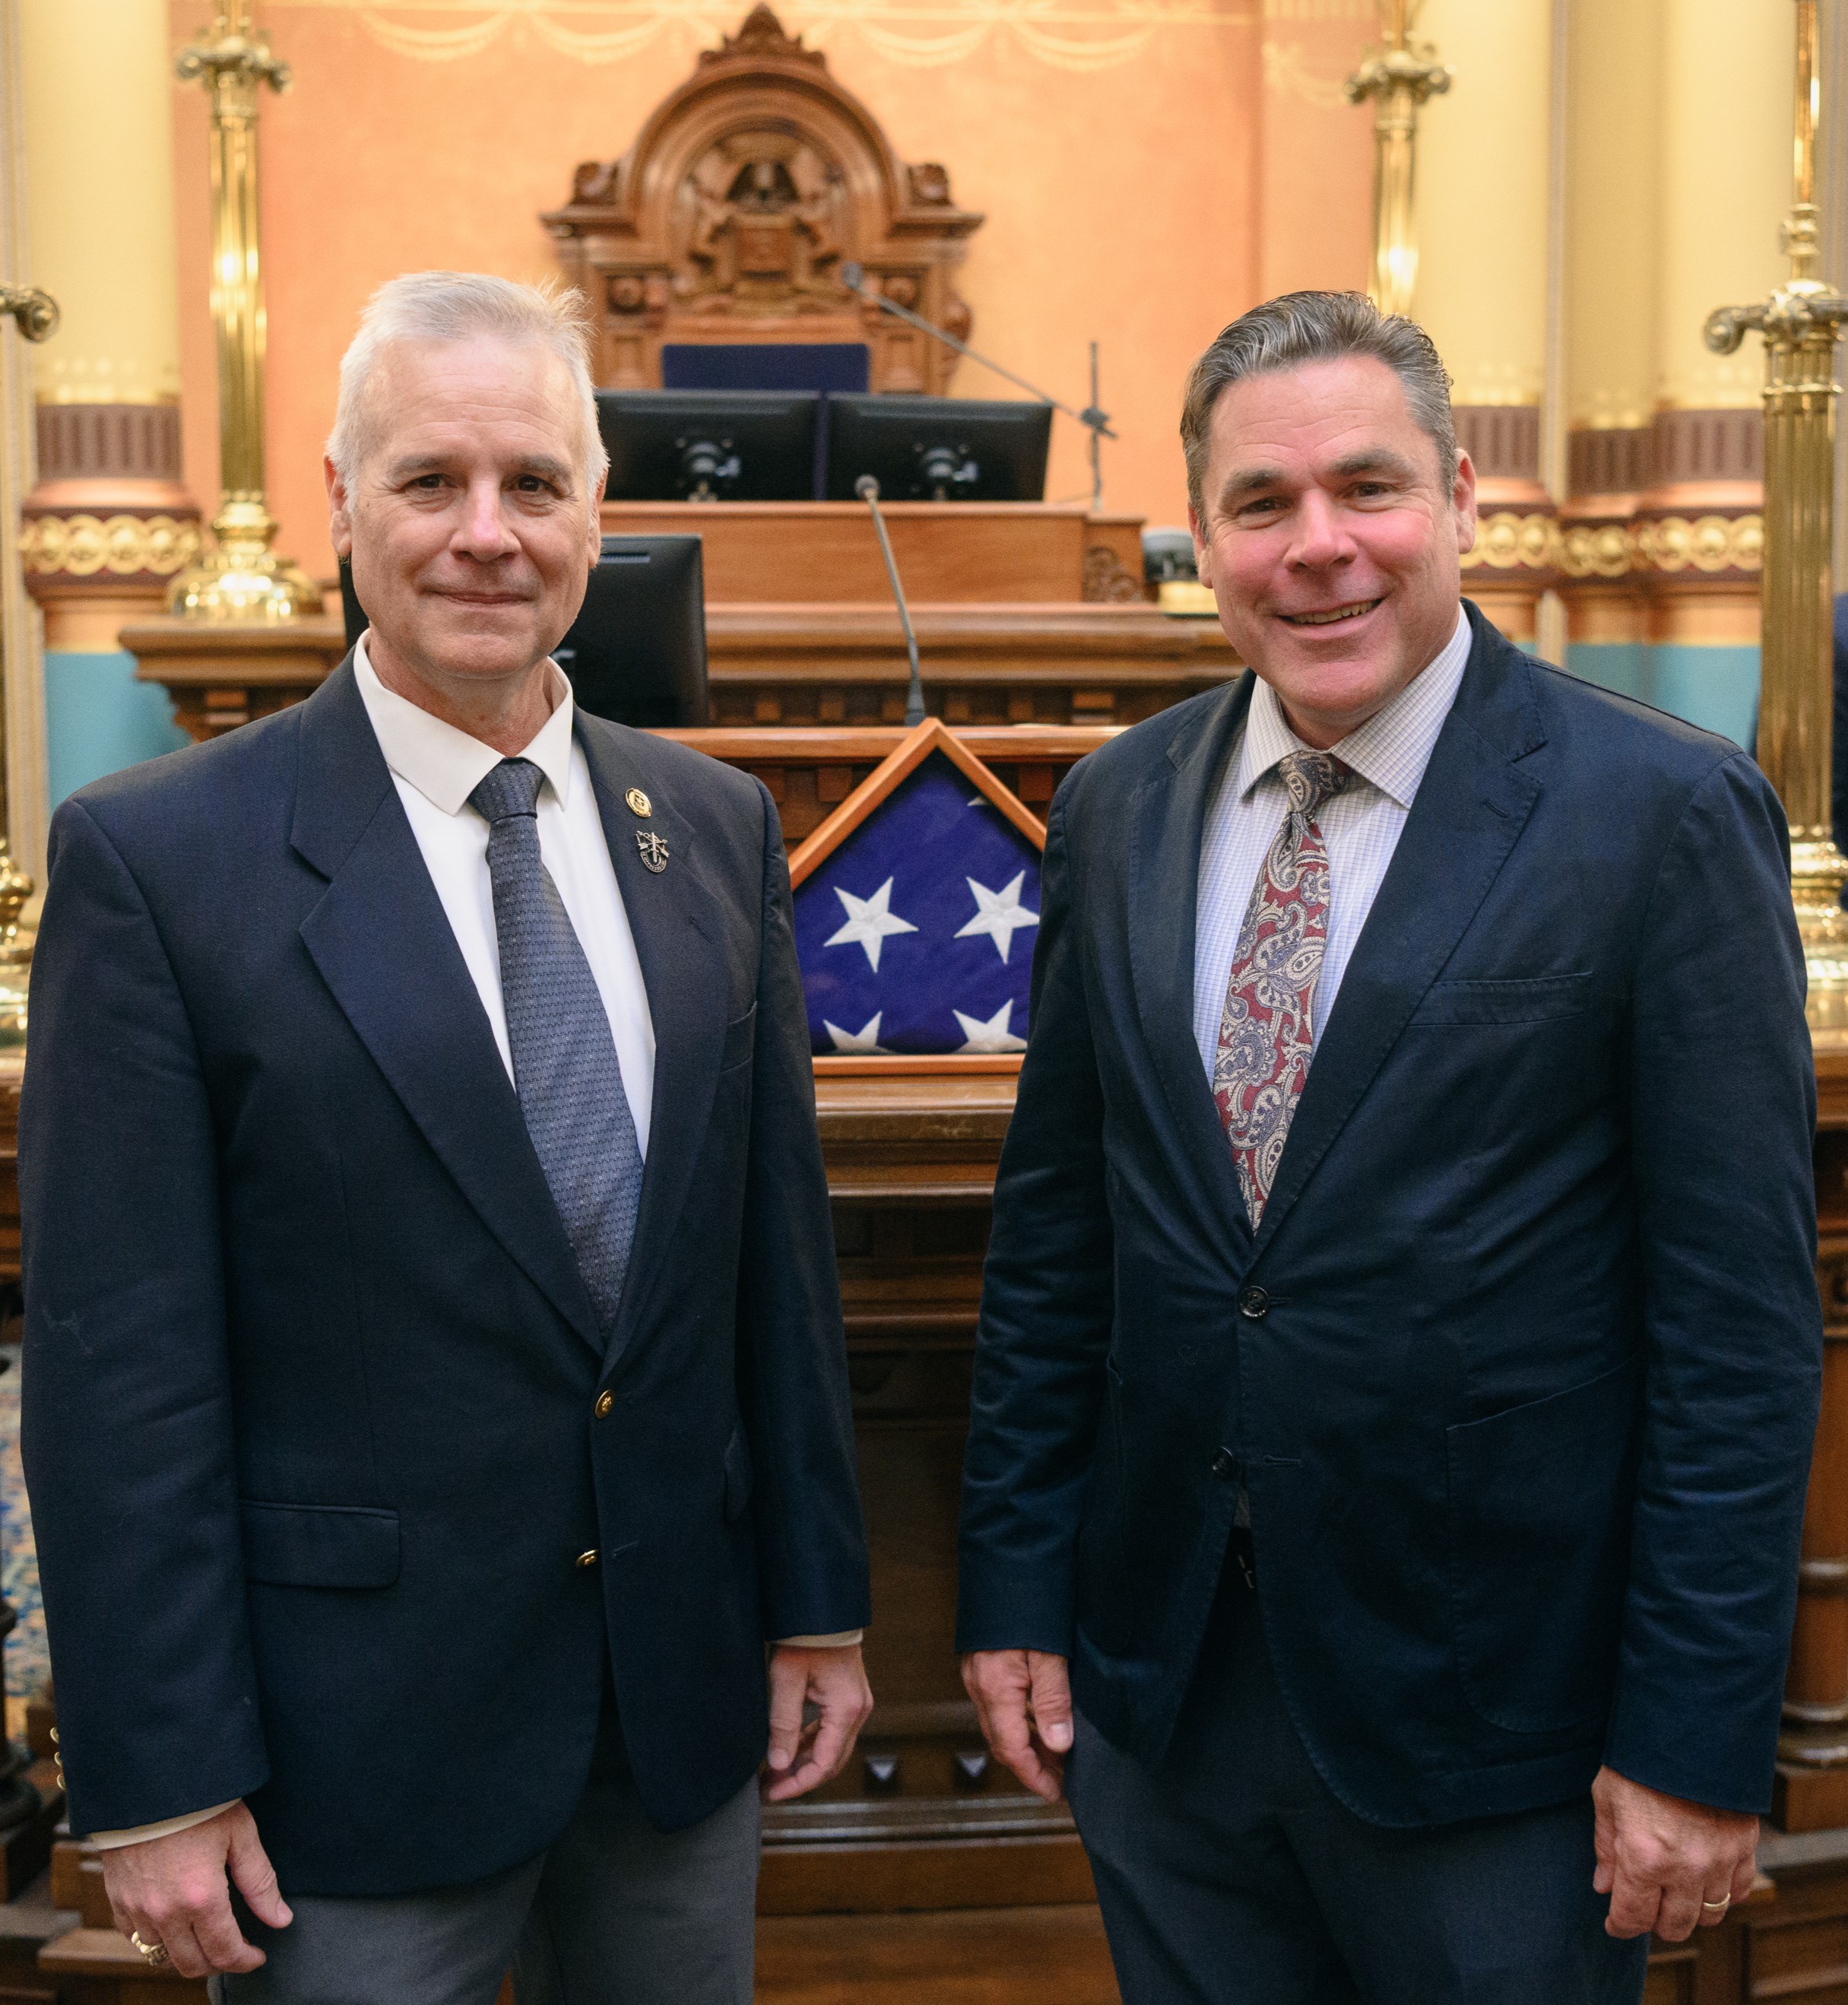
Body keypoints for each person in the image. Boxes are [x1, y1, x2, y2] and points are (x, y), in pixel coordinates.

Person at [956, 290, 1821, 2003]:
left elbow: (1736, 1331)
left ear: (1460, 497)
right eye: (1261, 504)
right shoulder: (1115, 807)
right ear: (1201, 538)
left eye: (1368, 488)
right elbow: (1057, 1246)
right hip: (1171, 1699)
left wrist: (1693, 1734)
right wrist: (1016, 1589)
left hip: (1502, 1728)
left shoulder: (1659, 813)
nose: (1319, 547)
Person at [20, 271, 873, 2003]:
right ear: (342, 501)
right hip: (344, 1752)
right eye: (430, 480)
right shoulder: (161, 859)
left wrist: (818, 1601)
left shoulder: (713, 827)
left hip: (672, 1715)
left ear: (597, 513)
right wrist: (161, 1766)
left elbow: (771, 1268)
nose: (487, 533)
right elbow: (122, 1367)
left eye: (533, 483)